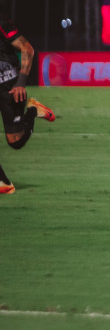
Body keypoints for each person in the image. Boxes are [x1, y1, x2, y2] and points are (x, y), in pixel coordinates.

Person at [0, 12, 55, 194]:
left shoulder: (2, 23)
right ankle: (3, 182)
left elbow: (27, 49)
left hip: (9, 85)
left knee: (15, 141)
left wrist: (21, 82)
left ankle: (33, 109)